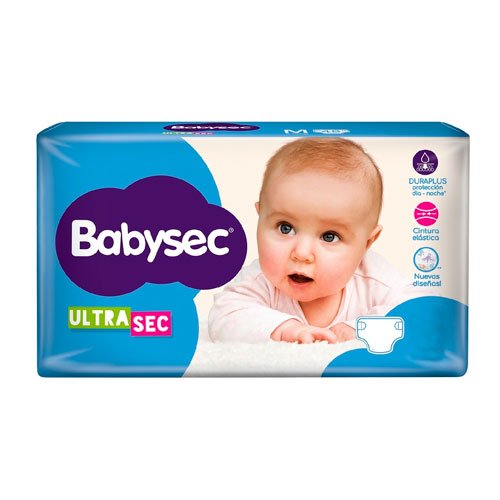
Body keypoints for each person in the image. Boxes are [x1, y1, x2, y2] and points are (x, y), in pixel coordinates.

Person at [208, 137, 418, 344]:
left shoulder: (375, 281)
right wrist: (286, 329)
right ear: (260, 216)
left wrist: (359, 328)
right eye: (285, 228)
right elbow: (225, 316)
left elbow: (421, 312)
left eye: (329, 236)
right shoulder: (260, 281)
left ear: (367, 243)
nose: (302, 253)